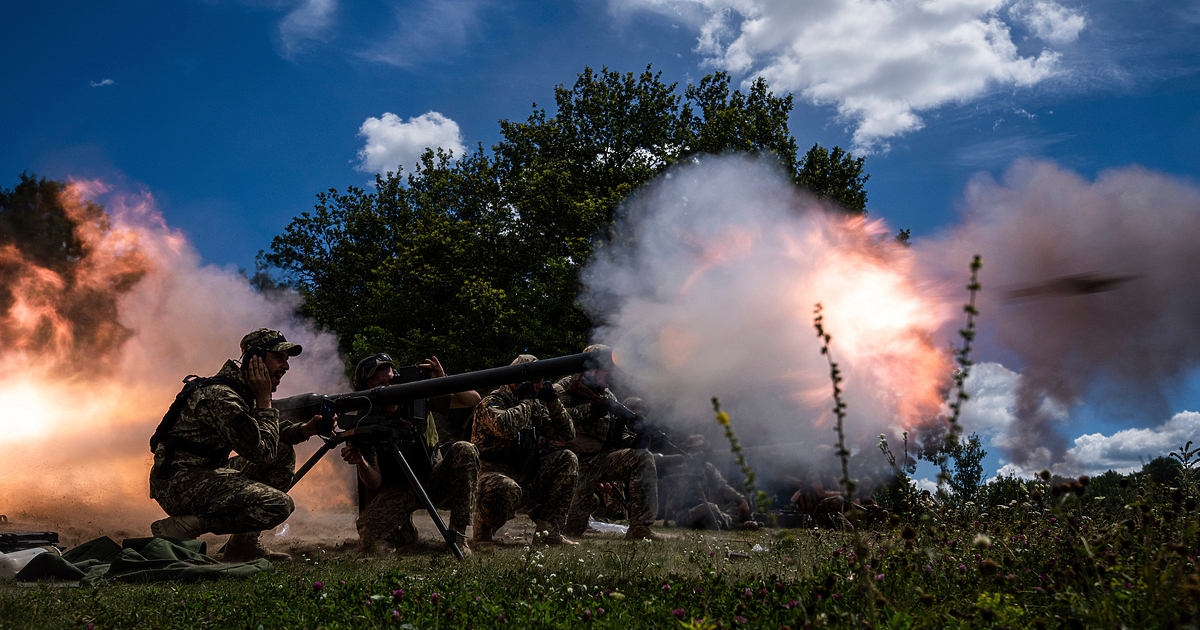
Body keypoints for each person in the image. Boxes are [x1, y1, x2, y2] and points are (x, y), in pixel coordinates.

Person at [149, 328, 326, 562]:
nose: (286, 366)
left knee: (282, 451)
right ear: (255, 359)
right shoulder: (222, 397)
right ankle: (185, 525)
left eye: (287, 359)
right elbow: (262, 452)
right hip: (178, 483)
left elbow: (265, 436)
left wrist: (305, 430)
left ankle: (243, 545)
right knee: (277, 505)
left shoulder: (240, 392)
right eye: (279, 358)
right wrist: (265, 401)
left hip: (204, 473)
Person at [340, 353, 481, 554]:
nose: (390, 390)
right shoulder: (362, 422)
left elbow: (472, 400)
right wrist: (361, 462)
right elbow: (374, 481)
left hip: (433, 479)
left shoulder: (417, 399)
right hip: (399, 489)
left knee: (465, 450)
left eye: (392, 382)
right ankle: (403, 532)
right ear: (364, 391)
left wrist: (444, 380)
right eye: (380, 386)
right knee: (370, 541)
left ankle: (458, 536)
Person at [555, 345, 662, 541]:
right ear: (591, 369)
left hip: (597, 461)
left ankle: (640, 527)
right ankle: (541, 508)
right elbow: (552, 420)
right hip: (567, 463)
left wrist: (636, 439)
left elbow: (614, 438)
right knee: (570, 530)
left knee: (642, 458)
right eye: (607, 369)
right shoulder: (566, 388)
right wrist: (590, 410)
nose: (611, 375)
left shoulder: (608, 397)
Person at [471, 355, 580, 546]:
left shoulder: (534, 404)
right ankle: (482, 529)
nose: (539, 385)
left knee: (567, 458)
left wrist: (553, 401)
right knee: (506, 488)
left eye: (540, 380)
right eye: (535, 380)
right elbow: (506, 428)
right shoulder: (492, 402)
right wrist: (527, 401)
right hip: (491, 475)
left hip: (523, 473)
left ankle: (548, 532)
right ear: (517, 381)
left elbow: (567, 434)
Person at [659, 436, 750, 531]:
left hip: (707, 509)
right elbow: (673, 506)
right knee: (710, 508)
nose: (699, 453)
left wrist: (741, 499)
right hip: (685, 515)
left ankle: (723, 521)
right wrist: (681, 489)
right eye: (696, 450)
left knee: (734, 504)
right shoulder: (680, 470)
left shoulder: (706, 468)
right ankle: (734, 525)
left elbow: (722, 486)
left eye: (701, 449)